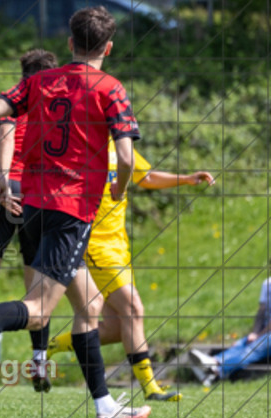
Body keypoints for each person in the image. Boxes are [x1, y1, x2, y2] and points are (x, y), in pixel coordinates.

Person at [0, 6, 153, 418]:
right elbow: (125, 158)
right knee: (38, 309)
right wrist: (120, 188)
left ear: (70, 43)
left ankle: (104, 406)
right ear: (108, 47)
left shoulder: (39, 81)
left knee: (88, 304)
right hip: (71, 210)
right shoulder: (111, 88)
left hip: (33, 202)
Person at [44, 142, 215, 401]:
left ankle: (53, 345)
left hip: (119, 245)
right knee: (133, 307)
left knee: (117, 328)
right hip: (94, 243)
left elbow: (145, 177)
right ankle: (150, 387)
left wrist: (187, 179)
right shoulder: (81, 144)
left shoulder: (119, 144)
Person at [0, 49, 59, 389]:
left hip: (7, 185)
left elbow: (5, 134)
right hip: (41, 193)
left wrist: (0, 178)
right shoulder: (57, 110)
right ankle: (39, 361)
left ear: (23, 75)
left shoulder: (14, 103)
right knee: (37, 285)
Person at [191, 248, 271, 386]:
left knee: (253, 348)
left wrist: (260, 335)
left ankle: (215, 369)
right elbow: (261, 312)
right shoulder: (267, 284)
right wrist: (254, 332)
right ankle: (214, 366)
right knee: (240, 344)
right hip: (267, 329)